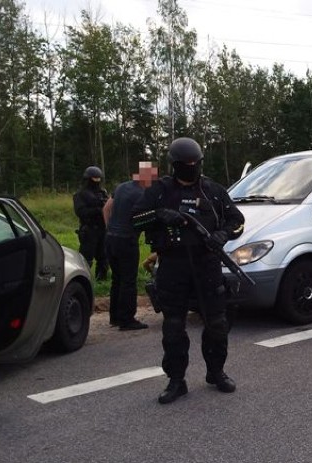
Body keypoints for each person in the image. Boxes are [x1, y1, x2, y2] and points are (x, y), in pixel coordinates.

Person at [131, 137, 245, 405]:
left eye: (196, 163)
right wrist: (159, 214)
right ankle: (176, 380)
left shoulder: (213, 191)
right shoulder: (159, 191)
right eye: (187, 164)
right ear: (175, 165)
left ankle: (216, 372)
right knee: (173, 327)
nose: (192, 167)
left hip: (207, 264)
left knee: (217, 323)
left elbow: (237, 220)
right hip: (173, 266)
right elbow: (134, 220)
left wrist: (222, 235)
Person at [102, 161, 159, 331]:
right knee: (128, 280)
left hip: (110, 239)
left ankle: (115, 317)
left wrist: (110, 229)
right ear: (147, 177)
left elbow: (106, 208)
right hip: (127, 240)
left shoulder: (121, 187)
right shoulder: (143, 194)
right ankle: (127, 320)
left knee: (116, 279)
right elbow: (149, 220)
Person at [73, 166, 109, 281]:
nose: (96, 182)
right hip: (89, 229)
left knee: (103, 257)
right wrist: (98, 210)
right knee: (86, 258)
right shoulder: (80, 194)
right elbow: (81, 212)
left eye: (98, 179)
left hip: (102, 229)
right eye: (94, 179)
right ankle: (83, 279)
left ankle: (101, 280)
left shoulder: (103, 192)